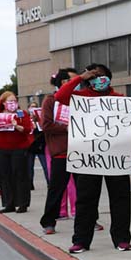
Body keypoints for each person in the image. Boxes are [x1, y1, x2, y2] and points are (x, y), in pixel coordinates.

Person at [54, 63, 131, 252]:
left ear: (109, 78)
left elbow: (128, 126)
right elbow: (60, 96)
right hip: (88, 157)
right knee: (85, 200)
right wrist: (79, 78)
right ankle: (81, 240)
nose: (98, 78)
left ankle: (122, 238)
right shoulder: (80, 98)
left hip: (115, 157)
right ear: (89, 80)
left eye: (101, 75)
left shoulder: (120, 99)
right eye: (94, 76)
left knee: (120, 198)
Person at [40, 68, 87, 235]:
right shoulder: (50, 101)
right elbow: (46, 125)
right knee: (57, 189)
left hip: (81, 151)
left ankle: (89, 219)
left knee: (85, 189)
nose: (77, 84)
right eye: (73, 81)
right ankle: (49, 221)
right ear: (63, 83)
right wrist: (66, 128)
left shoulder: (82, 99)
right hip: (61, 151)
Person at [0, 91, 35, 213]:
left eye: (15, 101)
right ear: (3, 103)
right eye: (10, 101)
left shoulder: (21, 114)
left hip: (19, 148)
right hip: (1, 148)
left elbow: (27, 129)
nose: (13, 104)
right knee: (5, 175)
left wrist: (17, 126)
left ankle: (22, 203)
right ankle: (9, 203)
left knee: (20, 175)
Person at [26, 99, 49, 190]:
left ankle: (49, 182)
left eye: (35, 107)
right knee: (29, 166)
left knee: (45, 165)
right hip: (30, 145)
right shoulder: (26, 118)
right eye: (31, 107)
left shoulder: (41, 118)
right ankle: (29, 184)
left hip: (40, 144)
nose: (33, 108)